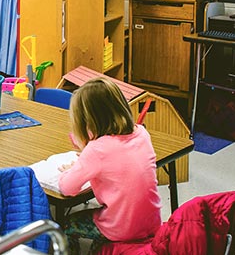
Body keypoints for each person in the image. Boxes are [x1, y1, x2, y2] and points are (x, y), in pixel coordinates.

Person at [57, 77, 162, 254]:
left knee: (65, 225)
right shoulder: (142, 133)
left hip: (122, 228)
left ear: (87, 120)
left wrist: (70, 171)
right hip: (151, 222)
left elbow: (67, 188)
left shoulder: (97, 149)